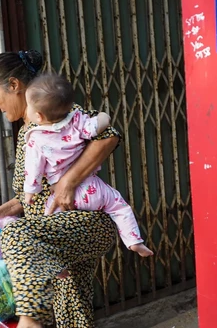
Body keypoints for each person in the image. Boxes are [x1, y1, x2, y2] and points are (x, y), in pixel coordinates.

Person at [0, 50, 124, 328]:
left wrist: (70, 181)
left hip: (85, 224)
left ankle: (29, 327)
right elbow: (32, 197)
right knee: (74, 324)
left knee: (16, 234)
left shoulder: (59, 112)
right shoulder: (29, 130)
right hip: (53, 236)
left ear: (14, 86)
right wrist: (3, 208)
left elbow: (109, 135)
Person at [23, 73, 153, 257]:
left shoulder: (35, 139)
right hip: (94, 189)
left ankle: (55, 263)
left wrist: (31, 192)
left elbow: (33, 169)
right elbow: (98, 126)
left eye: (28, 105)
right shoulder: (77, 119)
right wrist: (104, 116)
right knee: (120, 207)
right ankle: (134, 242)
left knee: (49, 226)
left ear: (38, 115)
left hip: (60, 197)